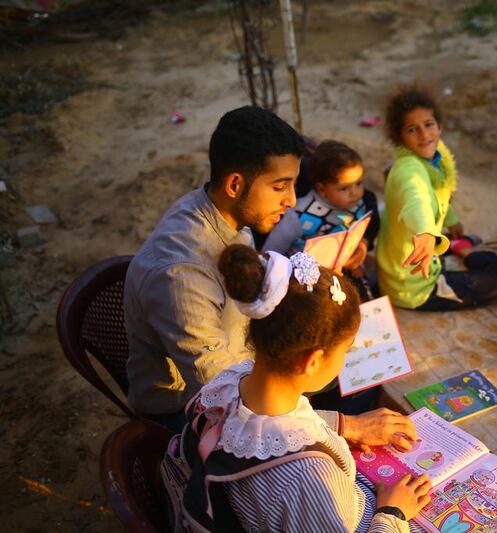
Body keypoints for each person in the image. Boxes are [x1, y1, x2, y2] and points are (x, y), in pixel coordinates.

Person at [161, 245, 432, 532]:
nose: (345, 359)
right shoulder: (306, 481)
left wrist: (345, 425)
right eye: (345, 350)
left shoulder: (228, 383)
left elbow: (264, 430)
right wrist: (392, 513)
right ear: (313, 361)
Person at [124, 106, 304, 432]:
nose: (291, 200)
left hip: (241, 365)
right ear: (235, 184)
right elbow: (224, 397)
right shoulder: (182, 276)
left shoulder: (226, 212)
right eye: (280, 187)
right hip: (185, 414)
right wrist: (342, 426)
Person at [377, 85, 497, 311]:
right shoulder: (408, 170)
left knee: (467, 244)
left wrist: (451, 220)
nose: (424, 135)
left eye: (428, 125)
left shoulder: (437, 157)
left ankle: (459, 249)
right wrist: (426, 232)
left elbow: (441, 190)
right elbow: (416, 199)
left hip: (424, 259)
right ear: (400, 138)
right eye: (412, 130)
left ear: (440, 126)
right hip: (415, 286)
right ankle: (462, 251)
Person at [262, 140, 380, 297]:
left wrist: (360, 249)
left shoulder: (361, 202)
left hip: (346, 269)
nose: (355, 193)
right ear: (322, 189)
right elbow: (270, 254)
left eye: (359, 183)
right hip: (305, 282)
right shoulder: (299, 216)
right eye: (344, 188)